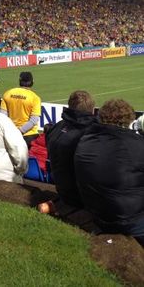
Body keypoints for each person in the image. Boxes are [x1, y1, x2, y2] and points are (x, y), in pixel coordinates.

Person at [74, 99, 144, 246]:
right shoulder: (136, 145)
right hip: (128, 221)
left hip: (98, 215)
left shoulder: (85, 139)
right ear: (129, 120)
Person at [45, 91, 96, 207]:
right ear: (92, 110)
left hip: (63, 189)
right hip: (80, 196)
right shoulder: (92, 132)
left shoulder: (57, 127)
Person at [1, 72, 41, 147]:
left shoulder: (8, 93)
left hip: (11, 134)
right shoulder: (35, 97)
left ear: (20, 81)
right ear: (33, 81)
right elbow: (34, 120)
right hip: (29, 135)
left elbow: (3, 116)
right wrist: (20, 131)